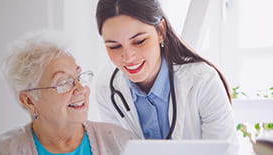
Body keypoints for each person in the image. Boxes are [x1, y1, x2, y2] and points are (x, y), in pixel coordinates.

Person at [94, 0, 238, 144]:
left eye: (139, 41)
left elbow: (224, 150)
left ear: (161, 31)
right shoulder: (106, 88)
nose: (128, 57)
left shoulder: (203, 81)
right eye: (114, 46)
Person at [0, 31, 136, 155]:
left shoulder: (122, 143)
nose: (80, 89)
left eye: (78, 77)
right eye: (63, 83)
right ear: (29, 101)